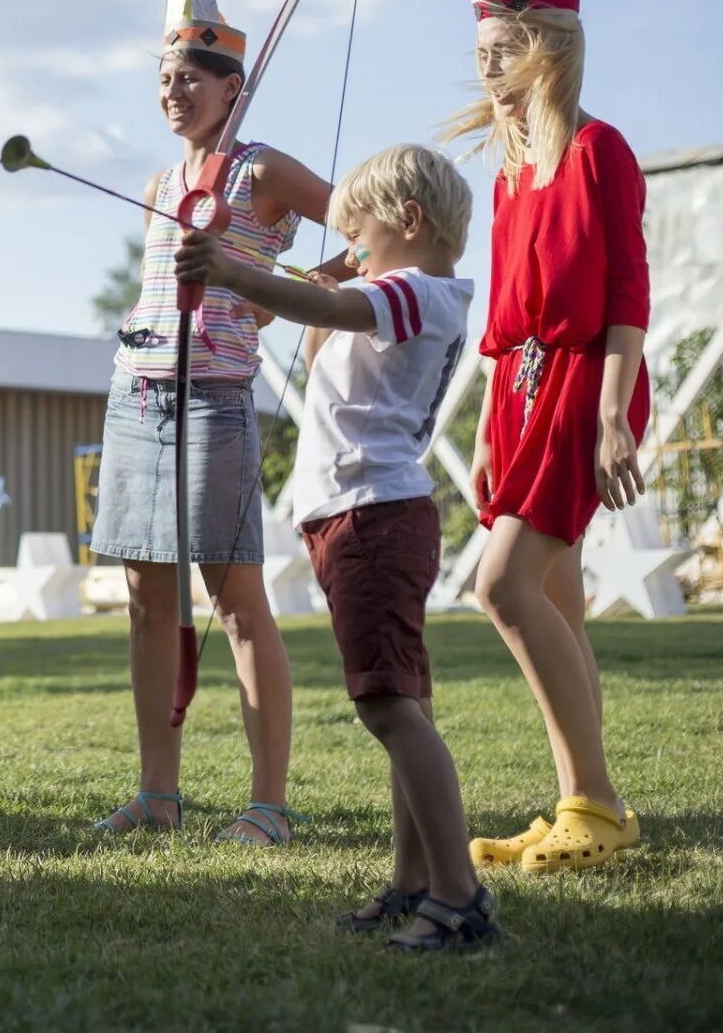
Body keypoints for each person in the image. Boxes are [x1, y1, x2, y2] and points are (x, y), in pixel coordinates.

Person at [179, 143, 501, 950]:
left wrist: (233, 270)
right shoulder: (405, 292)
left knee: (389, 704)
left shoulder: (415, 292)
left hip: (374, 519)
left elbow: (330, 310)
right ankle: (413, 880)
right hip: (363, 516)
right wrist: (318, 286)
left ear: (409, 222)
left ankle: (458, 896)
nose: (347, 252)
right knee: (404, 699)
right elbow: (331, 327)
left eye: (355, 235)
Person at [90, 0, 350, 844]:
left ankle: (268, 804)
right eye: (164, 78)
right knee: (143, 595)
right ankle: (158, 794)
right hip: (138, 393)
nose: (174, 90)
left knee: (236, 600)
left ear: (232, 86)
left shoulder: (262, 170)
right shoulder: (166, 184)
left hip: (215, 404)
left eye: (190, 77)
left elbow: (368, 220)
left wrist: (319, 289)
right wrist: (264, 296)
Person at [444, 0, 647, 871]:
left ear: (549, 49)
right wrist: (489, 423)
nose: (488, 69)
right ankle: (582, 802)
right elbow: (500, 320)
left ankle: (595, 808)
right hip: (522, 393)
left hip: (583, 385)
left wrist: (612, 412)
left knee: (502, 586)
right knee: (555, 600)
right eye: (480, 54)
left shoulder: (601, 150)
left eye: (504, 51)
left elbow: (625, 294)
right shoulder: (509, 174)